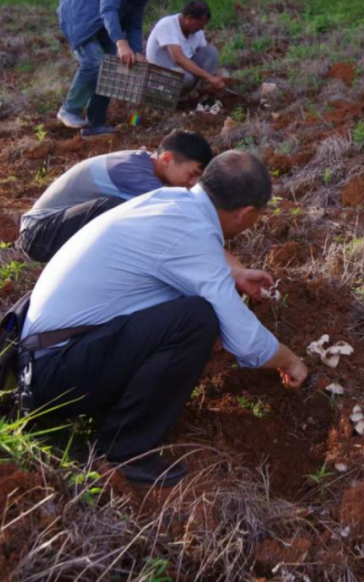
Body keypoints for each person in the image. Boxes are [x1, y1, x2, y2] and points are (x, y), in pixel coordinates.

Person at [19, 151, 309, 486]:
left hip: (44, 358)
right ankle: (124, 451)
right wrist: (291, 361)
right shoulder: (192, 234)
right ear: (245, 214)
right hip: (53, 375)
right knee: (197, 318)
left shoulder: (169, 201)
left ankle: (112, 412)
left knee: (192, 304)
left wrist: (236, 273)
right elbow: (244, 340)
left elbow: (183, 256)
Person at [17, 130, 214, 263]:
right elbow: (183, 219)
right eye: (192, 174)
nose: (192, 184)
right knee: (117, 209)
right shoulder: (135, 174)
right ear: (167, 159)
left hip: (52, 228)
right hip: (38, 233)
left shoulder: (143, 165)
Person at [56, 0, 175, 138]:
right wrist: (121, 43)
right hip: (78, 17)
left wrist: (136, 52)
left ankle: (94, 124)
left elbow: (134, 24)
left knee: (113, 66)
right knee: (94, 62)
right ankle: (69, 110)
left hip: (102, 22)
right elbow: (108, 9)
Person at [146, 0, 226, 97]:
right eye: (200, 24)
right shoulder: (167, 25)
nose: (201, 28)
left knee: (211, 51)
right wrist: (208, 76)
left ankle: (207, 92)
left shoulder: (197, 32)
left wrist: (213, 77)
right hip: (162, 74)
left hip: (183, 71)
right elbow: (178, 58)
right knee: (185, 79)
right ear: (189, 18)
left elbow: (204, 55)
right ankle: (167, 96)